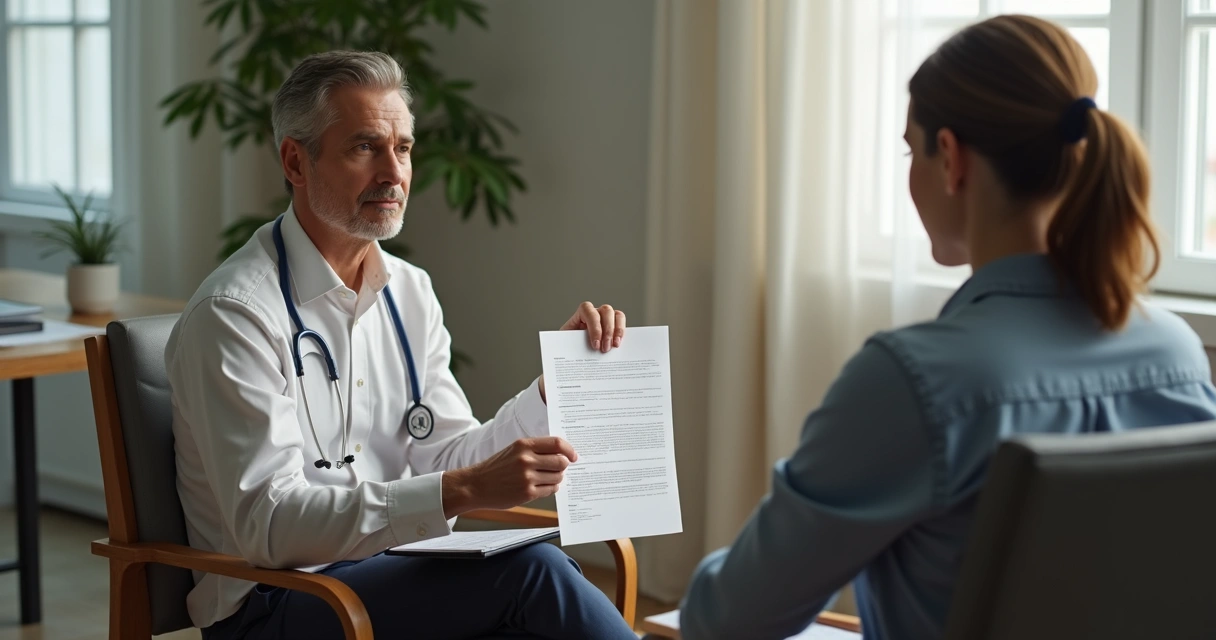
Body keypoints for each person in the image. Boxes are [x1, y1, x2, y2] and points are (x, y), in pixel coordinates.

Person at [679, 15, 1216, 640]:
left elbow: (726, 621)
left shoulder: (914, 381)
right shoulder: (1177, 353)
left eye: (912, 150)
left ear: (952, 159)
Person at [166, 50, 638, 640]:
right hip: (277, 601)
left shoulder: (409, 291)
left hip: (389, 576)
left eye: (404, 148)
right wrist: (466, 489)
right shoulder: (235, 313)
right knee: (533, 574)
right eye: (365, 147)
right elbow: (271, 526)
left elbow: (445, 457)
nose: (394, 173)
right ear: (295, 161)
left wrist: (550, 392)